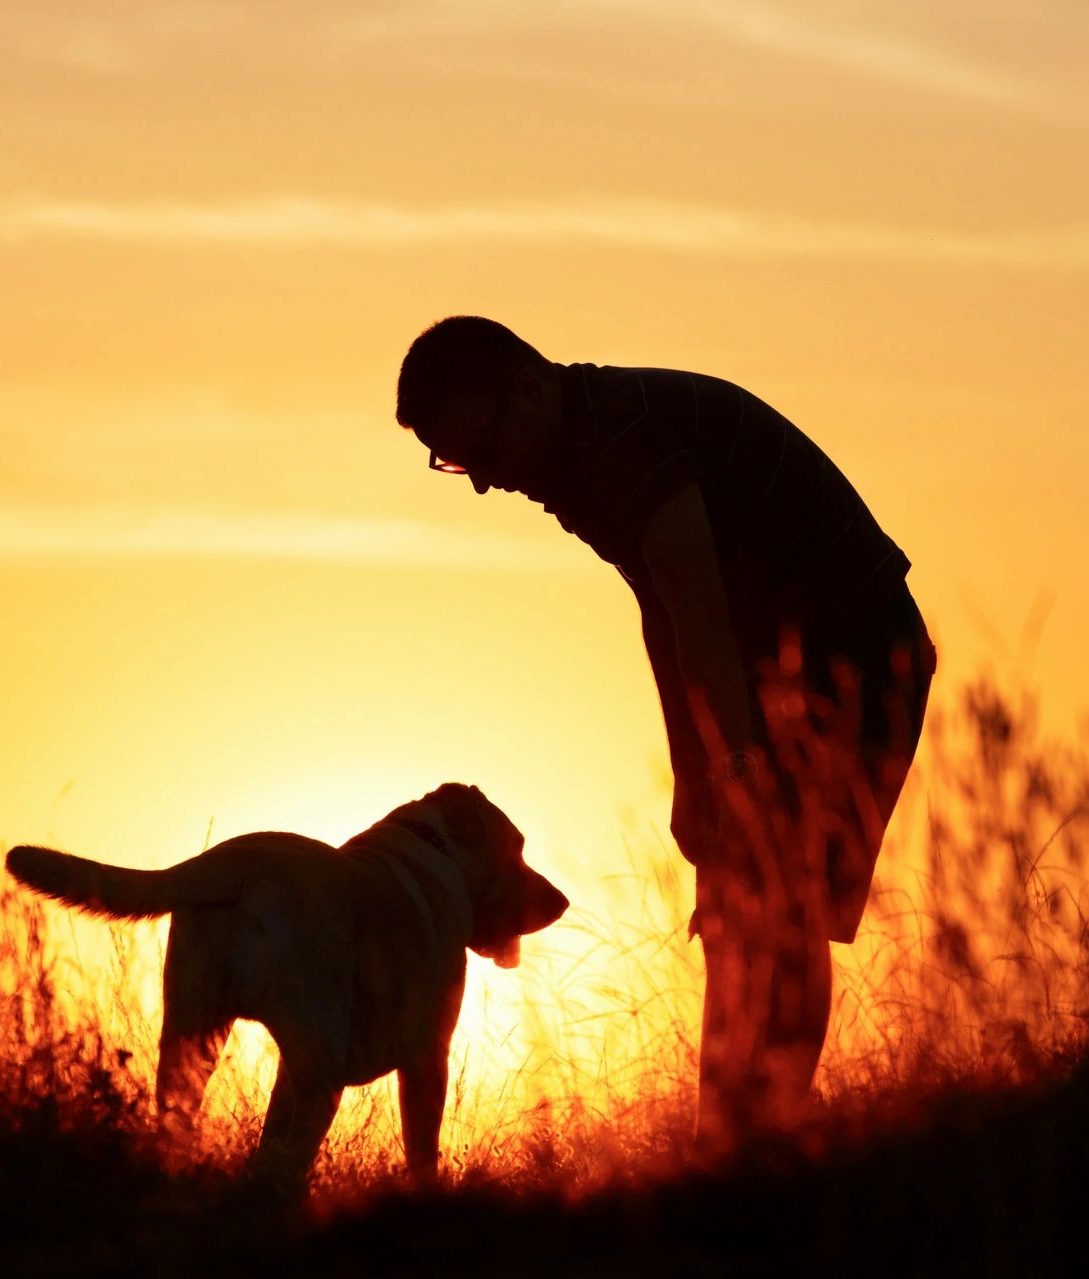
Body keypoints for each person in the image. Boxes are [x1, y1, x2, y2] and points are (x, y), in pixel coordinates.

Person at [395, 316, 936, 1151]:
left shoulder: (627, 437)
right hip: (773, 667)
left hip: (858, 659)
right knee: (737, 901)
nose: (485, 483)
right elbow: (664, 610)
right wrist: (695, 771)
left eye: (484, 453)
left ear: (528, 388)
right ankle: (734, 1138)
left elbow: (700, 613)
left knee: (777, 902)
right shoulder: (577, 454)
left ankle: (758, 1138)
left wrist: (739, 766)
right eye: (459, 464)